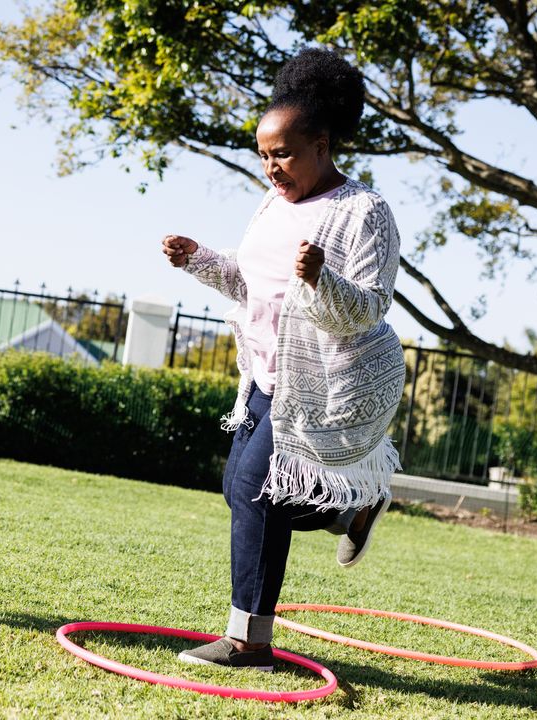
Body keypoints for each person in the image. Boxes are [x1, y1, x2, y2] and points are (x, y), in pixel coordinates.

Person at [161, 48, 406, 670]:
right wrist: (199, 258)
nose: (272, 166)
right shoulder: (272, 205)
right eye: (264, 155)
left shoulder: (363, 211)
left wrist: (323, 279)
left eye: (285, 154)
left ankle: (250, 641)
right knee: (238, 489)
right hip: (267, 376)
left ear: (323, 143)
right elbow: (253, 286)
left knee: (255, 490)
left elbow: (370, 307)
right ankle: (351, 508)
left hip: (331, 383)